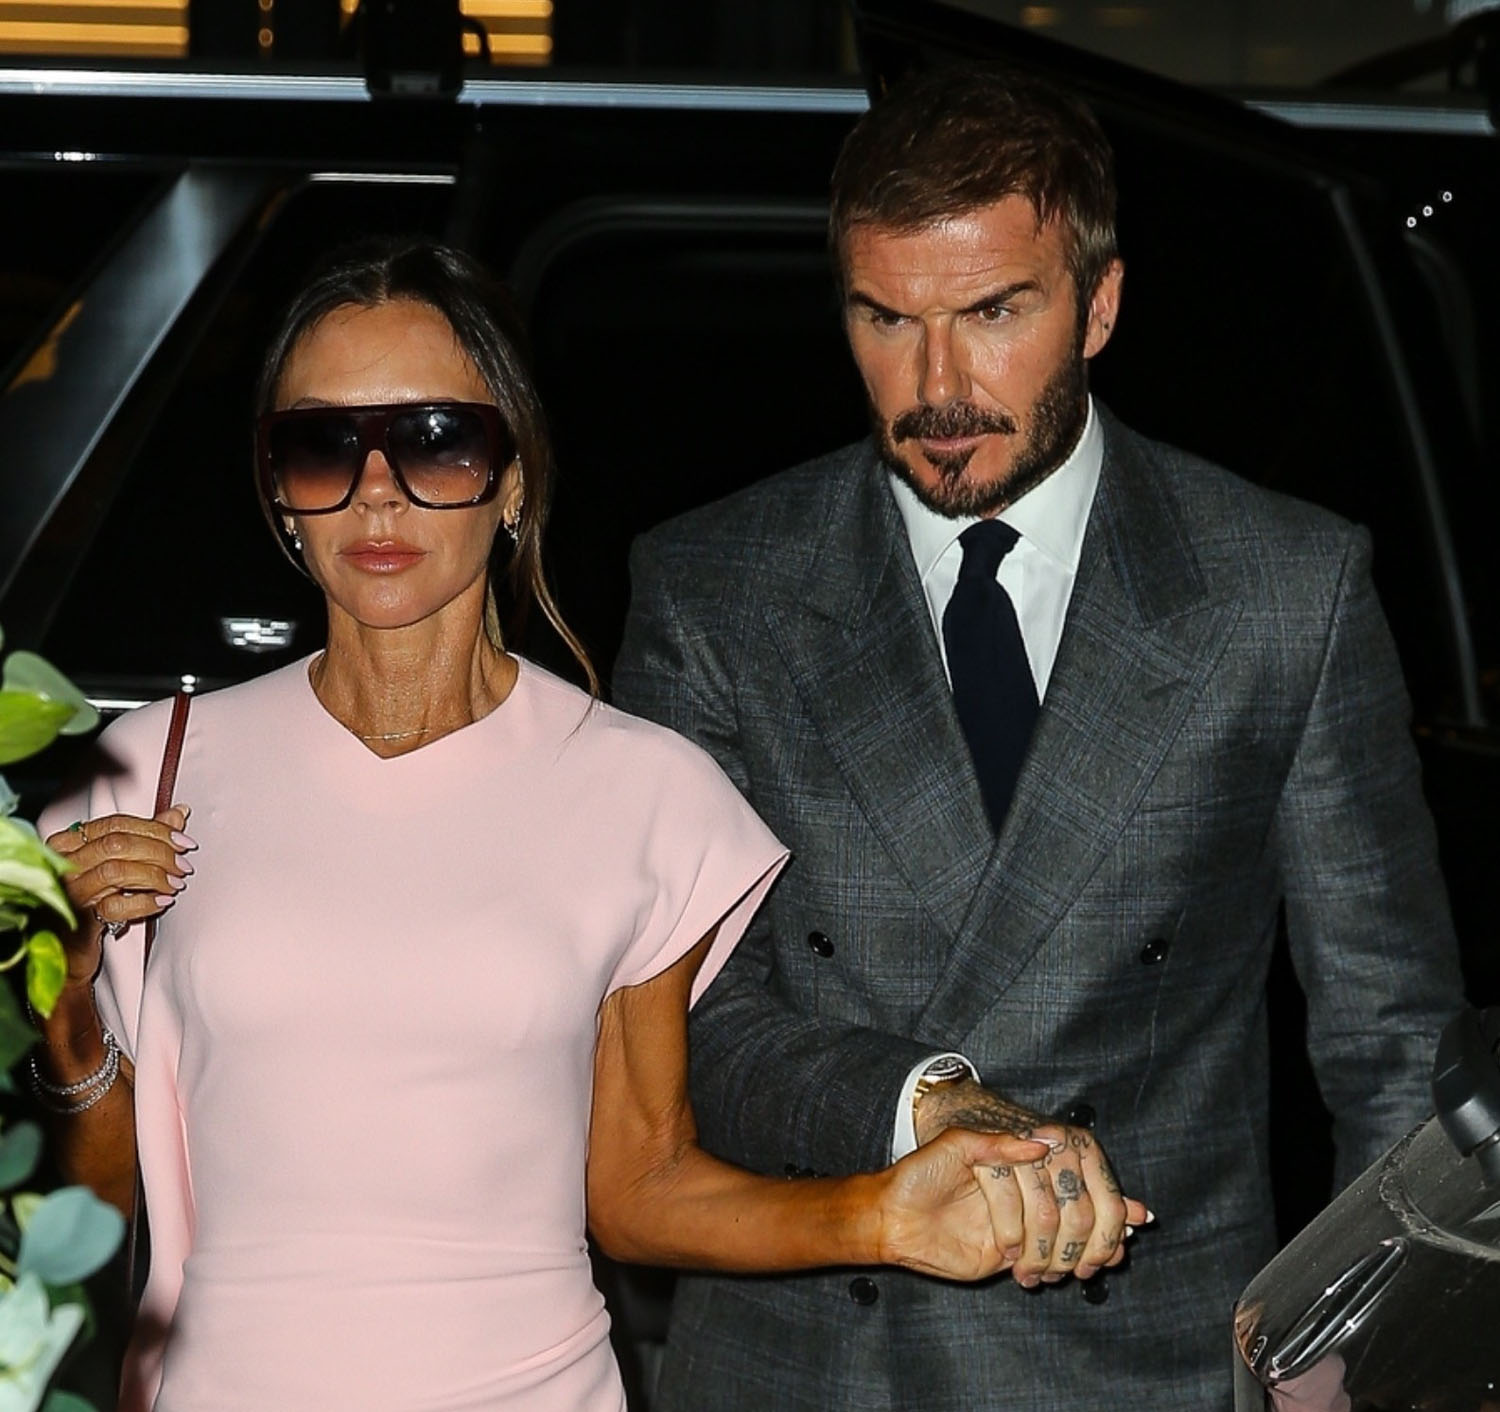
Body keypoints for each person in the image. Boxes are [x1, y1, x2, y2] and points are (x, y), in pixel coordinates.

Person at [29, 239, 1143, 1412]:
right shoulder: (146, 770)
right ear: (279, 494)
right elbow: (92, 1209)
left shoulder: (637, 791)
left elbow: (639, 1186)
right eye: (322, 446)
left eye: (436, 439)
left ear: (513, 479)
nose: (376, 490)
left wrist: (885, 1214)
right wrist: (67, 995)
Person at [612, 64, 1465, 1411]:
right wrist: (922, 1101)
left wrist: (1359, 1362)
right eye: (886, 319)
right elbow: (682, 1031)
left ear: (1100, 304)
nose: (937, 384)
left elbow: (1388, 1043)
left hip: (1149, 1363)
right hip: (811, 1361)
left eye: (994, 312)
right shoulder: (716, 590)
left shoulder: (1282, 589)